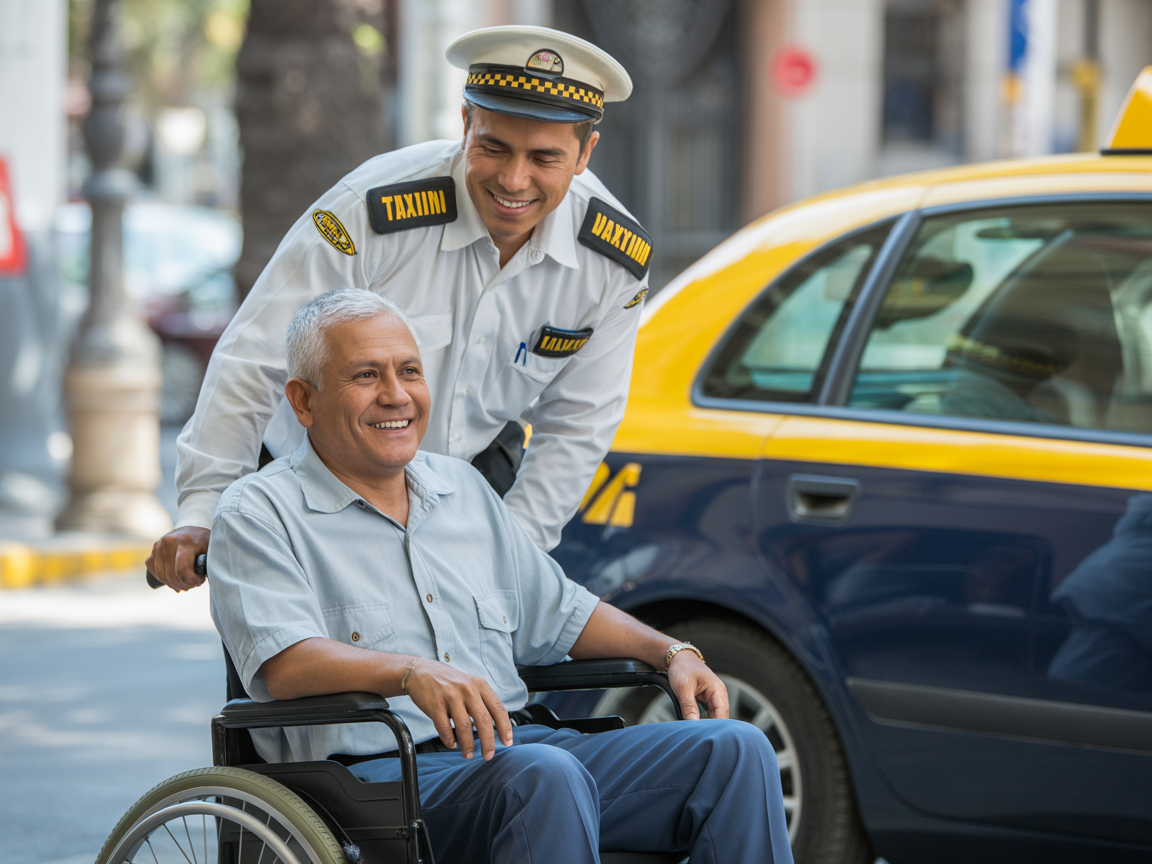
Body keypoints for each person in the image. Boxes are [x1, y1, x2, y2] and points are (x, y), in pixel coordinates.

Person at [207, 290, 792, 864]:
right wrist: (411, 673)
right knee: (543, 776)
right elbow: (282, 664)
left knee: (734, 750)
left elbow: (563, 613)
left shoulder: (461, 488)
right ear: (303, 402)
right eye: (365, 376)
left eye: (409, 371)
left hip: (514, 752)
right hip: (369, 784)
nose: (396, 396)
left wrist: (672, 652)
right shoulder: (258, 512)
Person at [149, 25, 655, 590]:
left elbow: (577, 424)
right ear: (465, 124)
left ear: (585, 153)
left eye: (544, 158)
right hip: (315, 485)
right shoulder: (369, 212)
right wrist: (204, 511)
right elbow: (256, 357)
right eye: (493, 148)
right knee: (313, 672)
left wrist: (512, 554)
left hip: (469, 487)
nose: (514, 179)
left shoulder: (612, 260)